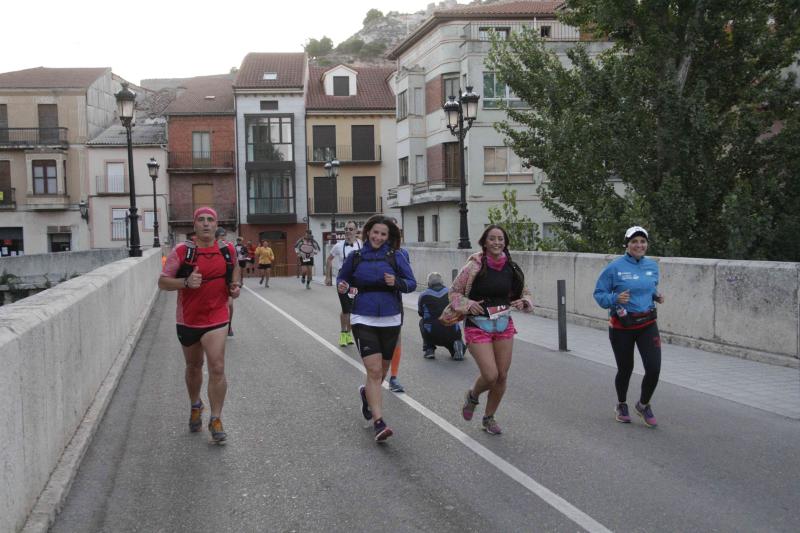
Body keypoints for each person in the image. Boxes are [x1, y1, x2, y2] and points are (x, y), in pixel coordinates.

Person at [158, 207, 241, 444]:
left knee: (217, 367)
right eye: (201, 220)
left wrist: (234, 286)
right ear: (194, 225)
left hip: (217, 316)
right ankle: (196, 404)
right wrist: (185, 282)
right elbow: (163, 282)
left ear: (216, 225)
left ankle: (216, 419)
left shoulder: (227, 250)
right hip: (189, 318)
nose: (206, 224)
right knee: (194, 366)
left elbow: (234, 268)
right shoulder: (182, 251)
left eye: (210, 220)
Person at [337, 215, 416, 442]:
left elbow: (411, 283)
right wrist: (343, 286)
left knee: (380, 373)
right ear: (368, 232)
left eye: (383, 234)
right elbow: (342, 281)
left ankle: (366, 393)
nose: (379, 237)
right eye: (375, 232)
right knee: (373, 371)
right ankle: (379, 422)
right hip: (363, 317)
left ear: (388, 237)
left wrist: (397, 283)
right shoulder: (356, 257)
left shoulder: (396, 256)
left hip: (391, 318)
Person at [449, 225, 533, 435]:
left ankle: (488, 418)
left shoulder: (511, 267)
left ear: (505, 243)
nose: (497, 243)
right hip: (477, 324)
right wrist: (467, 305)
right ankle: (473, 396)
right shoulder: (473, 266)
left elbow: (525, 292)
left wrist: (524, 302)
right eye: (492, 239)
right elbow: (454, 292)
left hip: (503, 323)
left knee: (502, 376)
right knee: (490, 375)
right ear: (484, 242)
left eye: (501, 239)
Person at [593, 226, 664, 428]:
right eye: (634, 242)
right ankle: (621, 404)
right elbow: (599, 294)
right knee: (626, 368)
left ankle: (643, 404)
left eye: (643, 241)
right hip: (622, 326)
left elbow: (649, 287)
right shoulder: (614, 268)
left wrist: (655, 295)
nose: (639, 245)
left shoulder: (652, 266)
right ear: (627, 244)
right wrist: (615, 298)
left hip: (647, 323)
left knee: (654, 368)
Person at [325, 220, 362, 346]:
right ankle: (343, 334)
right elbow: (329, 259)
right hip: (343, 279)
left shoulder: (360, 244)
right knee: (346, 308)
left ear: (356, 231)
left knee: (353, 308)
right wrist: (328, 276)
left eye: (351, 229)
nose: (347, 231)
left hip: (356, 280)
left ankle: (349, 335)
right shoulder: (339, 246)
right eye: (346, 229)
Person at [418, 272, 465, 360]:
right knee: (455, 322)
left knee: (422, 322)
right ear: (442, 282)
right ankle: (457, 345)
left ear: (428, 283)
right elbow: (460, 310)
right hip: (451, 332)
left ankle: (429, 349)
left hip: (432, 332)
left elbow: (421, 313)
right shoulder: (451, 293)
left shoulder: (423, 295)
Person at [216, 227, 235, 337]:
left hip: (227, 278)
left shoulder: (230, 246)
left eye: (224, 235)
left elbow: (234, 263)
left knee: (230, 304)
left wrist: (234, 280)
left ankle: (229, 325)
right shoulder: (212, 245)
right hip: (215, 278)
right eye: (220, 236)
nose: (223, 238)